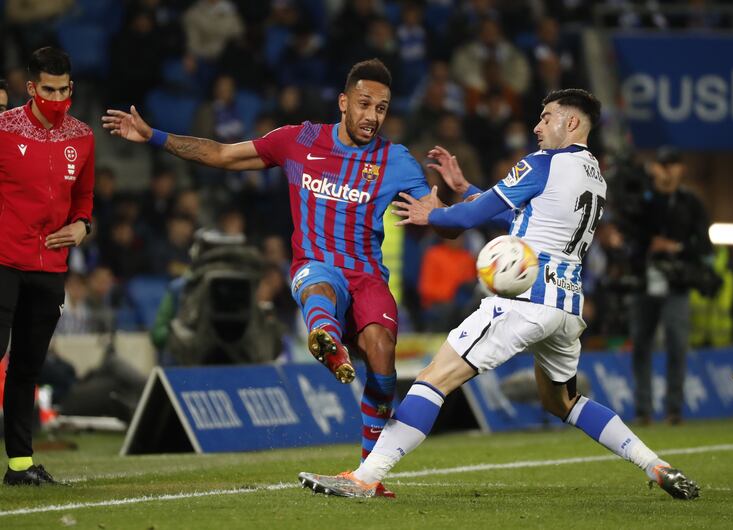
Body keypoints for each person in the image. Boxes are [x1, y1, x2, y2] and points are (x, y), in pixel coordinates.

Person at [298, 89, 700, 501]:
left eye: (546, 117)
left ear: (572, 123)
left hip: (524, 302)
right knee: (562, 401)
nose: (537, 126)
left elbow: (473, 216)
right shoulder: (594, 175)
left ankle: (365, 478)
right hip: (566, 308)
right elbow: (523, 216)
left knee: (433, 380)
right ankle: (655, 464)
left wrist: (431, 214)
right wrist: (466, 185)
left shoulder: (544, 163)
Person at [103, 59, 441, 495]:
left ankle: (367, 476)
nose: (372, 116)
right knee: (319, 285)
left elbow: (440, 219)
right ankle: (325, 336)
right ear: (343, 102)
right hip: (315, 267)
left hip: (368, 277)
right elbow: (223, 155)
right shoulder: (299, 140)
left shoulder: (395, 160)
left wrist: (442, 209)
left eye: (382, 108)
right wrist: (154, 136)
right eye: (364, 104)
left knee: (382, 357)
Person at [0, 47, 94, 486]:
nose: (57, 98)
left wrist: (82, 227)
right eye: (49, 90)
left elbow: (84, 200)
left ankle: (19, 467)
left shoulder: (82, 137)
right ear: (31, 88)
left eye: (64, 89)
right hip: (3, 261)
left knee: (26, 368)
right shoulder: (3, 129)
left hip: (50, 269)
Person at [626, 147, 713, 425]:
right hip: (643, 280)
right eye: (663, 164)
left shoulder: (691, 202)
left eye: (673, 164)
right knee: (641, 344)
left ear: (681, 169)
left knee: (677, 343)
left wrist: (677, 247)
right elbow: (628, 231)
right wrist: (648, 244)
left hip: (677, 282)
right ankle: (643, 409)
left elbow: (704, 244)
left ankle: (673, 409)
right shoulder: (644, 199)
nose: (668, 170)